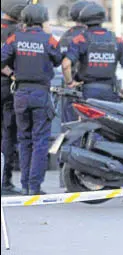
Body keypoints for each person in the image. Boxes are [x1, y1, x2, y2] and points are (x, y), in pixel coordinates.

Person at [1, 4, 63, 195]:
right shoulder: (49, 39)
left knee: (24, 139)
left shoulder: (15, 37)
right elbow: (59, 59)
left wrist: (13, 75)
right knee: (40, 141)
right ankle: (34, 187)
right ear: (43, 19)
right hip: (40, 94)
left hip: (20, 93)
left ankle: (25, 184)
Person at [62, 3, 123, 102]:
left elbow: (65, 64)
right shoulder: (117, 40)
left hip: (87, 93)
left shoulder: (80, 40)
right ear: (102, 19)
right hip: (110, 94)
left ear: (84, 20)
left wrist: (70, 82)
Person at [0, 0, 30, 195]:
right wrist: (12, 74)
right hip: (8, 89)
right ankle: (5, 181)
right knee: (8, 135)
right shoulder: (18, 33)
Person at [58, 0, 90, 123]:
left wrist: (69, 81)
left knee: (70, 127)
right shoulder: (90, 35)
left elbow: (59, 61)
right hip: (89, 87)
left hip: (70, 88)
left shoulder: (66, 35)